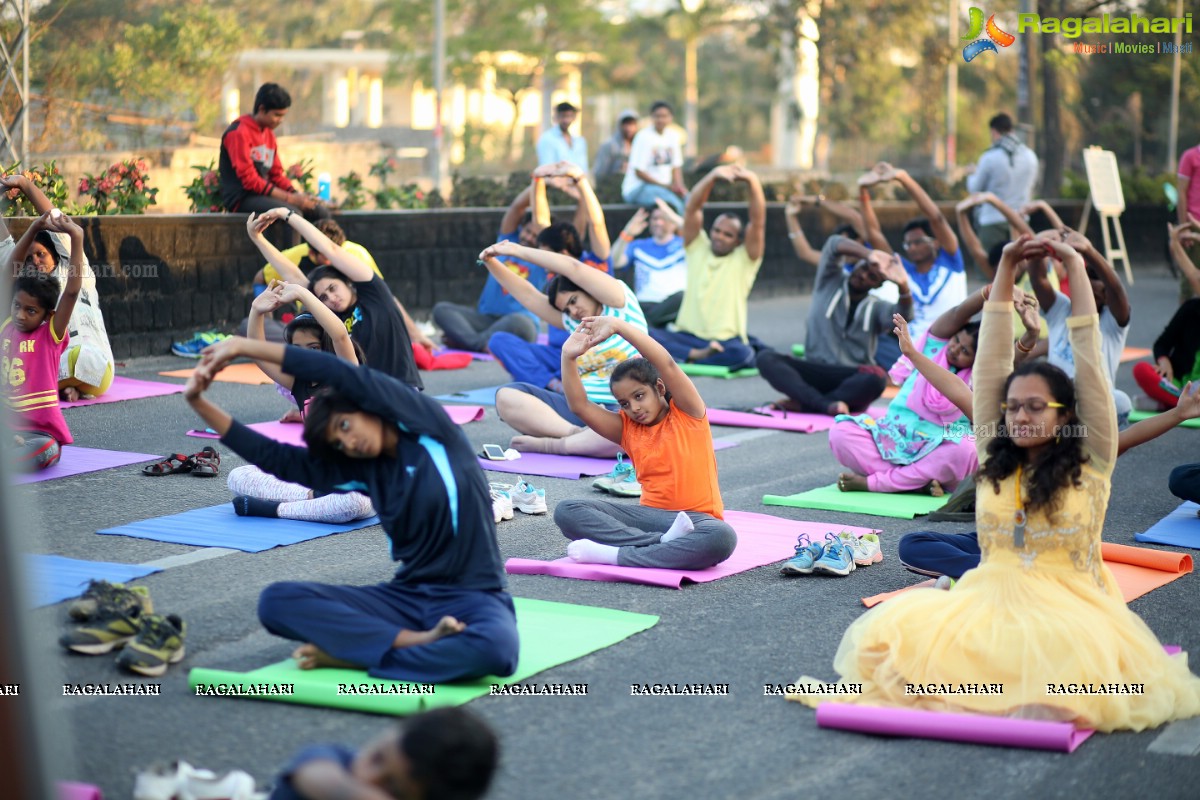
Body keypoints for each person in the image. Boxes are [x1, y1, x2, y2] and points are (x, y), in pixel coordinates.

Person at [788, 235, 1200, 732]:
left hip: (1071, 608)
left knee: (1057, 690)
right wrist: (1005, 266)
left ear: (1064, 413)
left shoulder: (1089, 457)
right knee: (895, 662)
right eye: (1013, 406)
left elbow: (1089, 354)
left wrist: (1074, 260)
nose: (1021, 415)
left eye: (1035, 406)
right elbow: (986, 373)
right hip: (991, 598)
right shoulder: (995, 449)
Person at [187, 337, 520, 685]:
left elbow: (334, 369)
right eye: (338, 444)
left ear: (367, 407)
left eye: (345, 426)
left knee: (498, 650)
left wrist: (244, 346)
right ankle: (413, 645)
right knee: (277, 601)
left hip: (474, 597)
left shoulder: (432, 430)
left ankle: (361, 653)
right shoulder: (365, 471)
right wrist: (199, 402)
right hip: (407, 600)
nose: (348, 442)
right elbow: (277, 459)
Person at [897, 372, 1200, 580]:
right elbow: (961, 392)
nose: (1024, 417)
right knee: (912, 543)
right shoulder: (1005, 438)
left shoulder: (1077, 454)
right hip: (995, 545)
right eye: (1018, 408)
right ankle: (988, 574)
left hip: (1042, 555)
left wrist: (1177, 414)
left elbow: (1130, 436)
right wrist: (912, 353)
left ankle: (989, 576)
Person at [552, 315, 736, 569]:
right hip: (651, 520)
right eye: (625, 403)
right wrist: (568, 356)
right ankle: (660, 543)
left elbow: (668, 364)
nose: (634, 408)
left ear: (659, 388)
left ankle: (616, 555)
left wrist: (618, 327)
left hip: (698, 521)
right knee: (567, 510)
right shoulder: (626, 428)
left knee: (722, 537)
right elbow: (580, 406)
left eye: (639, 396)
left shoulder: (688, 413)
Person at [226, 281, 376, 525]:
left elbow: (339, 333)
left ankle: (277, 510)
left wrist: (303, 295)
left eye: (313, 348)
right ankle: (312, 499)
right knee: (238, 476)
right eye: (298, 349)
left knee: (353, 502)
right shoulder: (299, 383)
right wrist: (256, 310)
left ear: (326, 348)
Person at [480, 240, 646, 458]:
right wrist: (490, 262)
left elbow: (573, 268)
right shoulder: (573, 322)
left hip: (623, 409)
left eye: (574, 300)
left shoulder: (619, 302)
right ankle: (577, 436)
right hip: (581, 411)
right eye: (566, 309)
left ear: (587, 288)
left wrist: (516, 250)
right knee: (506, 397)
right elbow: (528, 296)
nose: (573, 311)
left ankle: (555, 445)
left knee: (630, 431)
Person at [828, 286, 987, 496]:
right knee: (841, 432)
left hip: (937, 446)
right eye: (956, 340)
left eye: (965, 351)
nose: (955, 349)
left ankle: (876, 483)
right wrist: (988, 291)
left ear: (976, 359)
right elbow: (959, 313)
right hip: (893, 436)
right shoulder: (932, 348)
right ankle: (916, 482)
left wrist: (1028, 338)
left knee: (967, 450)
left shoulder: (979, 378)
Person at [247, 208, 422, 390]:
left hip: (400, 391)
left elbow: (330, 249)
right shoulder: (330, 315)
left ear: (347, 282)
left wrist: (287, 215)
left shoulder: (374, 294)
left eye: (333, 288)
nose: (331, 298)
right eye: (323, 297)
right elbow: (292, 275)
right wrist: (257, 239)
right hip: (361, 396)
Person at [755, 242, 911, 416]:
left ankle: (809, 404)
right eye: (864, 267)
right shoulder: (829, 282)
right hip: (816, 368)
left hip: (850, 376)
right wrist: (869, 254)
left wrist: (903, 286)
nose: (863, 275)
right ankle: (826, 404)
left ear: (877, 286)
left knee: (878, 378)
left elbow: (904, 316)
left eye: (872, 277)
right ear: (858, 263)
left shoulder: (877, 307)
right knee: (765, 358)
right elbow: (833, 245)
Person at [5, 176, 114, 401]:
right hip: (52, 368)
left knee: (79, 357)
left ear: (55, 255)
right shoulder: (27, 287)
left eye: (41, 254)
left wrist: (25, 185)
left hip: (94, 364)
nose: (35, 261)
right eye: (30, 258)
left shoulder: (74, 272)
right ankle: (69, 389)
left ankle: (69, 386)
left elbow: (60, 222)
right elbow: (6, 251)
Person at [648, 165, 766, 370]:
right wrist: (712, 176)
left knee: (743, 353)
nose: (720, 236)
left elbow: (758, 223)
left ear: (738, 241)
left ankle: (682, 357)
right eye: (717, 230)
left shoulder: (745, 260)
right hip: (687, 337)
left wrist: (752, 181)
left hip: (724, 342)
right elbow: (693, 208)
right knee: (643, 333)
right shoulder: (697, 247)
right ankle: (694, 355)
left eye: (728, 234)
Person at [1023, 229, 1131, 426]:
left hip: (1092, 407)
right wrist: (1042, 246)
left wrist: (1088, 251)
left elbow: (1116, 289)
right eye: (1083, 280)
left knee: (1120, 401)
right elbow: (1038, 279)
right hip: (1053, 401)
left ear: (1105, 295)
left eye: (1095, 282)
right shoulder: (1061, 309)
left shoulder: (1111, 323)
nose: (1087, 287)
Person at [268, 708, 498, 800]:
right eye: (377, 757)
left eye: (392, 788)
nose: (368, 778)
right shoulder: (337, 760)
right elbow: (315, 776)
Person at [4, 211, 84, 470]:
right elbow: (8, 275)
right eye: (17, 306)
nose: (19, 315)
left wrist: (77, 236)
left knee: (47, 451)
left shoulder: (49, 334)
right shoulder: (6, 326)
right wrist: (34, 227)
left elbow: (71, 291)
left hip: (39, 436)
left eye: (30, 311)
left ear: (47, 315)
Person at [859, 162, 967, 348]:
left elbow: (936, 218)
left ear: (935, 242)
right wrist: (862, 190)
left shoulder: (951, 262)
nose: (912, 248)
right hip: (909, 352)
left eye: (918, 242)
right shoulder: (903, 270)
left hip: (950, 349)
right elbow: (874, 235)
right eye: (907, 244)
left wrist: (903, 178)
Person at [432, 180, 547, 353]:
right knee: (441, 310)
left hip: (519, 322)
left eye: (535, 236)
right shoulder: (507, 243)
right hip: (485, 320)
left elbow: (542, 224)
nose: (530, 237)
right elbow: (516, 207)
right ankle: (479, 343)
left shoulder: (542, 259)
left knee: (519, 322)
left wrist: (541, 189)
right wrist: (539, 181)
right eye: (528, 231)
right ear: (521, 228)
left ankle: (469, 342)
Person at [955, 192, 1058, 339]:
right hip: (1013, 349)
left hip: (1046, 344)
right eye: (1003, 266)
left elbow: (1025, 233)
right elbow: (976, 250)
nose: (1009, 268)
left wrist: (993, 200)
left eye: (1012, 262)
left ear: (1022, 257)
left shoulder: (1039, 270)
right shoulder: (1000, 278)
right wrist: (961, 214)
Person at [219, 82, 329, 220]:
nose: (280, 121)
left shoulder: (268, 134)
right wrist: (290, 199)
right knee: (293, 215)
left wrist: (297, 195)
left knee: (319, 212)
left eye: (283, 116)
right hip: (243, 198)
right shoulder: (238, 133)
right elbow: (250, 180)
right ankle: (292, 243)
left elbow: (276, 174)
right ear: (262, 109)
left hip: (264, 195)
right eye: (277, 115)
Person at [965, 113, 1039, 257]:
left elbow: (975, 189)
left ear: (993, 131)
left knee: (991, 270)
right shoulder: (1030, 156)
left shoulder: (990, 157)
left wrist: (971, 174)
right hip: (1020, 221)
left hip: (992, 221)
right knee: (1022, 270)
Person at [609, 200, 686, 328]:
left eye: (664, 218)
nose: (658, 222)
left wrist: (676, 217)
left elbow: (698, 236)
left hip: (676, 308)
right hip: (644, 305)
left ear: (674, 221)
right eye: (655, 218)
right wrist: (627, 232)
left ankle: (640, 327)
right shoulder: (638, 245)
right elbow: (614, 262)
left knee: (682, 297)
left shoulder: (685, 245)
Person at [1132, 291, 1200, 411]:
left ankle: (1166, 404)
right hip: (1177, 383)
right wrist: (1164, 361)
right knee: (1141, 369)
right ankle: (1184, 404)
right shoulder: (1191, 308)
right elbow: (1161, 344)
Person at [621, 101, 686, 213]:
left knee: (690, 200)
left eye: (664, 116)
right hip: (638, 189)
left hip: (663, 189)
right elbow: (639, 172)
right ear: (652, 117)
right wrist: (666, 186)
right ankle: (681, 230)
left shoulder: (673, 137)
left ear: (671, 118)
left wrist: (680, 187)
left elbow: (676, 167)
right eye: (657, 116)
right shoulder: (643, 137)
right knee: (673, 205)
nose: (661, 120)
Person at [1176, 137, 1200, 300]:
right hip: (1194, 224)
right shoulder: (1191, 156)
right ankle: (1186, 322)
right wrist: (1184, 226)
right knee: (1190, 279)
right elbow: (1181, 192)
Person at [536, 101, 588, 173]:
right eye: (563, 116)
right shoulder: (547, 139)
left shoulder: (579, 141)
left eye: (569, 116)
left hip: (578, 181)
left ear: (574, 117)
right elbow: (546, 168)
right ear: (556, 117)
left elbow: (584, 168)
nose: (566, 120)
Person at [593, 109, 639, 179]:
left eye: (632, 124)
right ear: (620, 125)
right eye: (626, 124)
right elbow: (599, 172)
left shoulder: (638, 145)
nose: (629, 128)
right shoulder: (609, 145)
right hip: (612, 184)